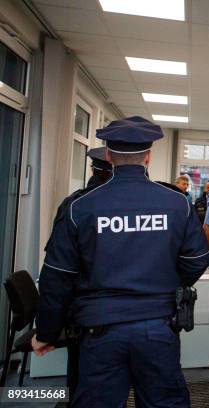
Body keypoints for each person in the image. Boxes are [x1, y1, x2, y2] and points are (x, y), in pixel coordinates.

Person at [32, 116, 209, 407]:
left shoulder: (81, 206)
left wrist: (47, 332)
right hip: (158, 326)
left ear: (110, 156)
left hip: (100, 331)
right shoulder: (176, 202)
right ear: (149, 157)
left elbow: (57, 276)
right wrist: (166, 280)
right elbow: (198, 259)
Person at [43, 147, 111, 405]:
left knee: (83, 383)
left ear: (94, 170)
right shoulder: (148, 204)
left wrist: (48, 330)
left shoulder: (76, 204)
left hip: (86, 315)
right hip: (134, 319)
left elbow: (58, 273)